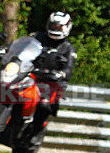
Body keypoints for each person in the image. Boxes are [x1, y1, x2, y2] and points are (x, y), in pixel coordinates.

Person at [29, 11, 77, 142]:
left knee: (44, 105)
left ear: (67, 27)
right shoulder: (38, 36)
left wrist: (62, 74)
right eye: (53, 25)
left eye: (59, 27)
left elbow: (69, 67)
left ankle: (35, 132)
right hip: (32, 75)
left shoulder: (68, 48)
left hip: (53, 82)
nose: (55, 29)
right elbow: (23, 46)